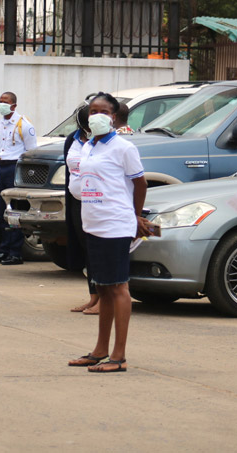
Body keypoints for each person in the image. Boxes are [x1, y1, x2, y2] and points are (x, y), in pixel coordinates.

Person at [67, 92, 151, 372]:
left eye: (102, 111)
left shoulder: (124, 148)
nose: (96, 116)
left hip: (116, 223)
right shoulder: (89, 145)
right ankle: (100, 349)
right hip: (93, 222)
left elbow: (140, 185)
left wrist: (136, 216)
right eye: (92, 111)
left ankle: (119, 355)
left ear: (113, 117)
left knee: (118, 288)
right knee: (102, 288)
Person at [0, 91, 37, 265]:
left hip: (15, 168)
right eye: (0, 101)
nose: (1, 104)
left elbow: (30, 152)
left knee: (14, 210)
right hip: (3, 167)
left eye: (5, 102)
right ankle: (4, 250)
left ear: (14, 105)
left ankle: (15, 252)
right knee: (3, 212)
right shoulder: (0, 123)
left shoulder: (24, 124)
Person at [65, 105, 99, 315]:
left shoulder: (108, 143)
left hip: (98, 203)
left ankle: (104, 298)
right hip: (77, 201)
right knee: (87, 249)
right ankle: (93, 296)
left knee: (98, 250)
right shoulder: (75, 140)